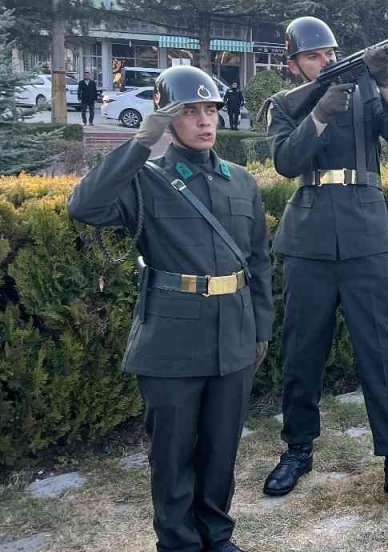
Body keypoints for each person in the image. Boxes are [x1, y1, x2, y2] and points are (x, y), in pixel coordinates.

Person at [68, 66, 272, 552]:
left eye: (211, 111)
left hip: (234, 335)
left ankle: (217, 536)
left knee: (222, 449)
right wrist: (141, 144)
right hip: (172, 341)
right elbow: (84, 206)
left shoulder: (240, 182)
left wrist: (261, 329)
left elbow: (260, 262)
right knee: (173, 453)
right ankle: (178, 543)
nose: (205, 122)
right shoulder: (147, 181)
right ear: (167, 118)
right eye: (189, 112)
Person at [262, 16, 388, 513]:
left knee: (382, 349)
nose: (325, 60)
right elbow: (287, 163)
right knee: (301, 350)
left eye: (329, 53)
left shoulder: (366, 92)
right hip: (309, 234)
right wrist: (318, 117)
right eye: (313, 55)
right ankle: (298, 448)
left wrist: (384, 80)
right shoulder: (284, 107)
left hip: (365, 231)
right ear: (293, 65)